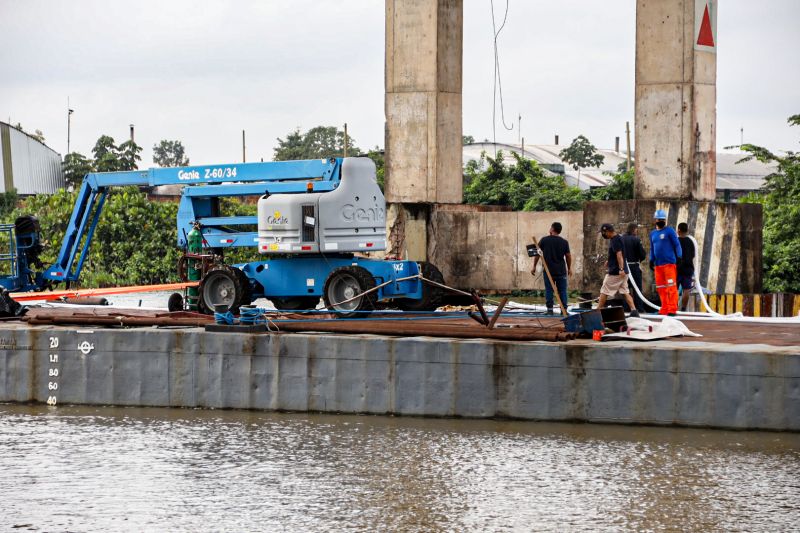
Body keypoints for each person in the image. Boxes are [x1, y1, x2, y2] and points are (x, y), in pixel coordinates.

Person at [597, 223, 637, 315]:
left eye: (603, 232)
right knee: (625, 292)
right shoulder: (618, 238)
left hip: (616, 272)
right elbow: (616, 253)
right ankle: (634, 311)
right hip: (623, 272)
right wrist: (609, 260)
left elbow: (619, 254)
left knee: (604, 290)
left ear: (607, 231)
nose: (603, 234)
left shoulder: (615, 240)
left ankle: (598, 311)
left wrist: (621, 269)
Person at [532, 222, 571, 314]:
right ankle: (564, 310)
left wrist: (534, 266)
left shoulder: (544, 240)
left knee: (549, 290)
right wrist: (569, 268)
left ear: (552, 229)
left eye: (550, 227)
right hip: (561, 270)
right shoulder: (564, 242)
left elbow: (537, 254)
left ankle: (550, 310)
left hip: (548, 270)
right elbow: (568, 256)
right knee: (562, 291)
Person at [649, 209, 682, 316]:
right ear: (655, 220)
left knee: (671, 287)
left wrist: (679, 256)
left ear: (665, 220)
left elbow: (677, 244)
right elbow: (652, 248)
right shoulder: (652, 233)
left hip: (669, 264)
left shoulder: (670, 231)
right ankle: (664, 308)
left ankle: (672, 309)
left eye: (663, 219)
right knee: (661, 288)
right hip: (658, 265)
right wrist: (651, 259)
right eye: (659, 219)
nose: (661, 221)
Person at [621, 222, 647, 312]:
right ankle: (639, 308)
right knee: (637, 288)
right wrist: (639, 260)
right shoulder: (636, 240)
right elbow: (642, 254)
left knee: (625, 288)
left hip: (624, 267)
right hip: (634, 267)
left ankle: (626, 307)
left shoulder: (621, 239)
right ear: (634, 229)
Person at [677, 222, 696, 312]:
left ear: (678, 230)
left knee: (674, 289)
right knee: (686, 290)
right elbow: (693, 255)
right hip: (688, 268)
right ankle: (683, 309)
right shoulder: (691, 241)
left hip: (677, 269)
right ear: (687, 230)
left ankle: (674, 307)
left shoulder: (676, 241)